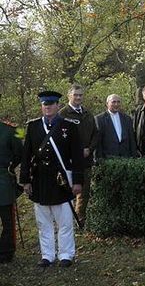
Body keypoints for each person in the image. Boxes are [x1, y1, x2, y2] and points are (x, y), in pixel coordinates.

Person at [20, 91, 84, 268]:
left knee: (64, 221)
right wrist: (25, 180)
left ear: (57, 105)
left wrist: (77, 181)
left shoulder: (69, 127)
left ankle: (66, 254)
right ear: (41, 106)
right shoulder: (33, 126)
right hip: (40, 180)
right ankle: (47, 255)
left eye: (51, 104)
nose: (47, 107)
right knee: (43, 221)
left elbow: (77, 156)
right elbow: (26, 155)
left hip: (61, 180)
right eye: (44, 104)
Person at [59, 84, 98, 224]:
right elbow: (58, 138)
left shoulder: (88, 114)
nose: (78, 97)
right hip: (68, 162)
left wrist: (89, 149)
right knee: (67, 192)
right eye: (75, 95)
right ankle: (66, 220)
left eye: (80, 95)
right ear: (69, 96)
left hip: (85, 160)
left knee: (84, 192)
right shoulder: (62, 114)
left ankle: (79, 219)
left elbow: (95, 134)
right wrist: (73, 152)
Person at [0, 110, 22, 264]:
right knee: (7, 219)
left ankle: (6, 252)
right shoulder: (11, 130)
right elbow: (19, 155)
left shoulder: (11, 130)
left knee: (7, 219)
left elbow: (20, 153)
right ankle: (6, 252)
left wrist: (9, 168)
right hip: (4, 180)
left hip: (3, 182)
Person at [95, 94, 137, 159]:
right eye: (113, 102)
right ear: (107, 104)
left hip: (126, 158)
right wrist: (99, 159)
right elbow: (98, 142)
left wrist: (134, 156)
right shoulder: (99, 119)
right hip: (108, 158)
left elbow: (131, 139)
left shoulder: (127, 118)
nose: (116, 104)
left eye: (118, 102)